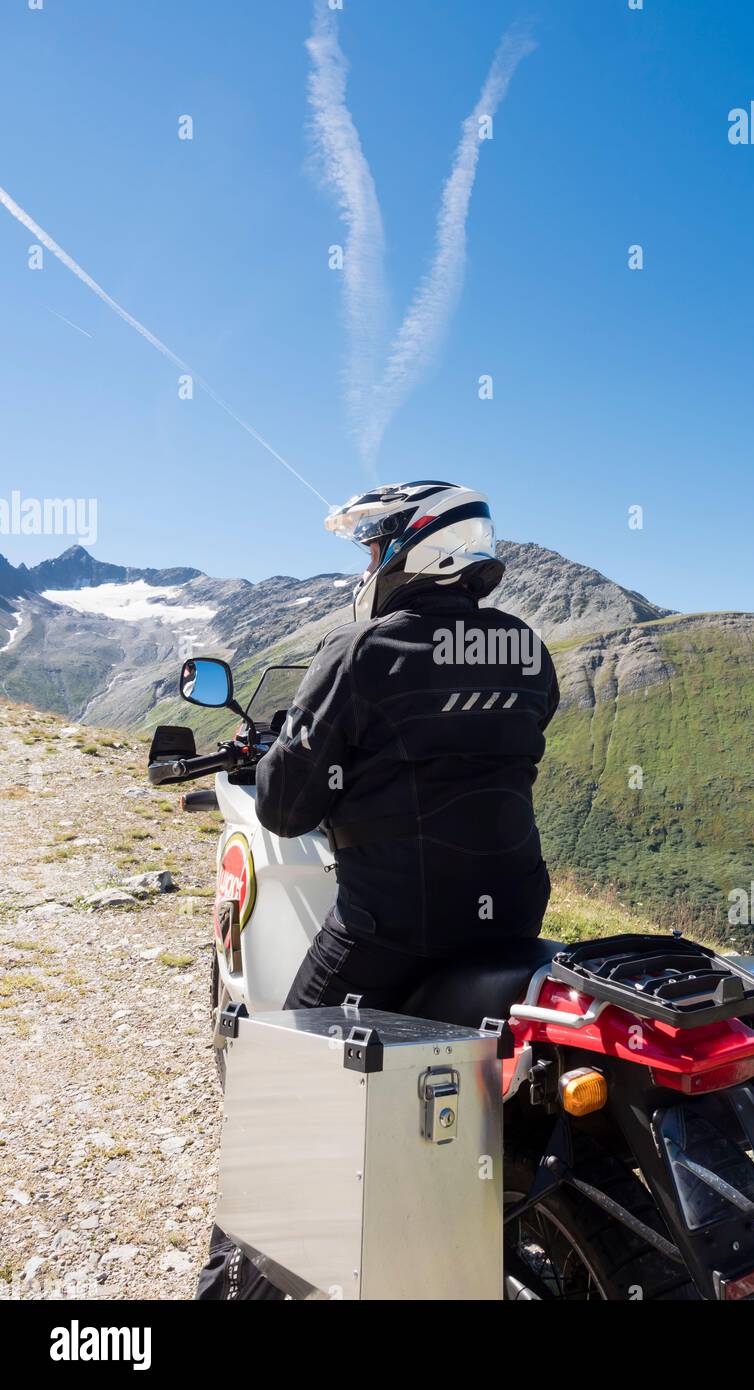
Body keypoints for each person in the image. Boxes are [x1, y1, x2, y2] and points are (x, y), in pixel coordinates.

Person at [197, 480, 559, 1298]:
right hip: (513, 916)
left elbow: (288, 807)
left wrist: (299, 752)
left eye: (372, 546)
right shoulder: (528, 652)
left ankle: (238, 1284)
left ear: (411, 549)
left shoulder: (362, 653)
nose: (368, 564)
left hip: (394, 923)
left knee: (283, 1090)